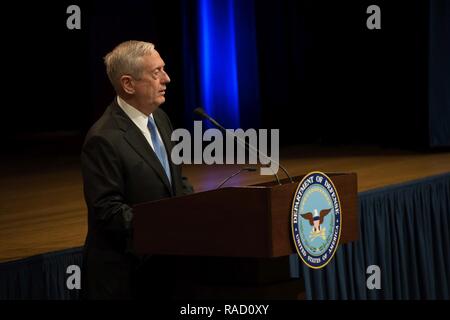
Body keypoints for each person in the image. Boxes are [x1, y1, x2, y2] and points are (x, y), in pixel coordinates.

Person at [80, 40, 193, 299]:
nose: (167, 78)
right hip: (125, 278)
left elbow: (176, 180)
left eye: (164, 69)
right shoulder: (103, 138)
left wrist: (196, 211)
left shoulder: (161, 119)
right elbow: (108, 211)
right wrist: (168, 226)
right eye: (156, 73)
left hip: (165, 270)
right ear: (128, 84)